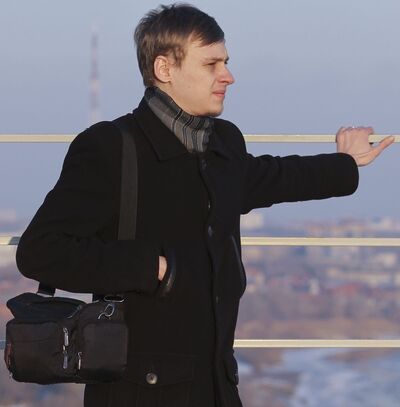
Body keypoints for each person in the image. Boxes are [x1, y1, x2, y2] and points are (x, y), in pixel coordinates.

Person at [15, 4, 394, 407]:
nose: (228, 76)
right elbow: (42, 250)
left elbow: (272, 177)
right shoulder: (110, 148)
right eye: (212, 64)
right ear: (164, 68)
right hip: (137, 392)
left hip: (217, 387)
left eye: (225, 63)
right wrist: (152, 267)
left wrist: (345, 163)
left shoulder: (223, 143)